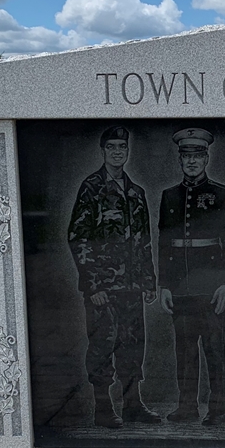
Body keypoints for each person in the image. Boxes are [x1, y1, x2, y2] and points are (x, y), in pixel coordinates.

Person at [68, 125, 161, 429]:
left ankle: (133, 405)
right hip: (104, 288)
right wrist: (93, 284)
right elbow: (78, 237)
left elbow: (144, 241)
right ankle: (104, 408)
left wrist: (149, 281)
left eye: (122, 147)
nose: (118, 152)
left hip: (132, 287)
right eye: (112, 147)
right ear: (103, 151)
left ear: (128, 151)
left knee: (133, 347)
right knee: (102, 346)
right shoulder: (92, 187)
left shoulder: (136, 193)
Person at [157, 128, 225, 426]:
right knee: (184, 351)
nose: (191, 161)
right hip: (180, 286)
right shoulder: (169, 196)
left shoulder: (223, 194)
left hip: (211, 286)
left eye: (197, 156)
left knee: (214, 349)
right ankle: (187, 408)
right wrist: (164, 285)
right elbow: (164, 243)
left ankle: (218, 411)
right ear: (180, 160)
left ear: (206, 158)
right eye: (186, 156)